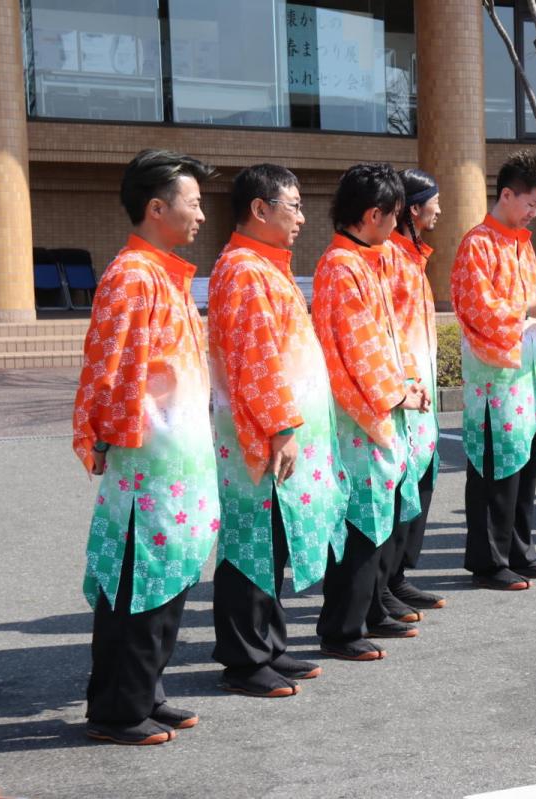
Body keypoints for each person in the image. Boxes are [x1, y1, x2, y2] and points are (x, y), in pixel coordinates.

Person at [73, 149, 219, 745]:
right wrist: (105, 439)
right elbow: (108, 369)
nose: (202, 215)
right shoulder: (134, 275)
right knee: (137, 584)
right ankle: (116, 709)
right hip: (148, 463)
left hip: (174, 462)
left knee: (164, 582)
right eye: (194, 202)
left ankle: (144, 692)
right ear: (157, 208)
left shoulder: (161, 273)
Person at [209, 164, 349, 694]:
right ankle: (245, 659)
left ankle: (267, 646)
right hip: (258, 434)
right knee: (251, 543)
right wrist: (279, 428)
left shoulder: (264, 267)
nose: (301, 216)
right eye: (292, 205)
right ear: (259, 209)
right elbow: (255, 359)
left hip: (274, 431)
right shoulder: (245, 269)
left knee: (271, 542)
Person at [313, 163, 428, 657]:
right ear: (373, 214)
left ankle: (370, 610)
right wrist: (399, 391)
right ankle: (344, 626)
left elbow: (389, 336)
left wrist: (410, 383)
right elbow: (358, 346)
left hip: (377, 405)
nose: (397, 223)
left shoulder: (365, 260)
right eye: (394, 214)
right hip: (358, 412)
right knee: (362, 521)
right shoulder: (343, 266)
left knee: (379, 518)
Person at [451, 151, 536, 590]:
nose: (535, 212)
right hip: (495, 381)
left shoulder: (519, 241)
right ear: (506, 195)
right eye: (531, 203)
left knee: (524, 466)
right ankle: (489, 558)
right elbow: (477, 309)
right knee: (495, 470)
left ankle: (519, 550)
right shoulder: (477, 243)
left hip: (524, 375)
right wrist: (529, 308)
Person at [383, 168, 446, 612]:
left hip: (420, 394)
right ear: (412, 210)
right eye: (433, 201)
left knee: (417, 485)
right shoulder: (388, 257)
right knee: (395, 489)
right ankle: (381, 584)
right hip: (399, 395)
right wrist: (400, 385)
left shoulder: (412, 257)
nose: (439, 209)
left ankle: (397, 576)